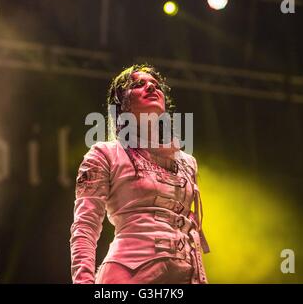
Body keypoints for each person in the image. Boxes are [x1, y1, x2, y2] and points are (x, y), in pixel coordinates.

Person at [70, 64, 210, 284]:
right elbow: (85, 227)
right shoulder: (104, 154)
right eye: (138, 84)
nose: (151, 87)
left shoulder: (187, 162)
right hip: (128, 276)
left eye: (156, 85)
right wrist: (83, 283)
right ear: (121, 104)